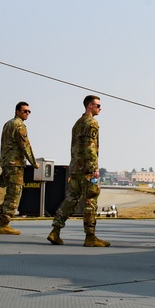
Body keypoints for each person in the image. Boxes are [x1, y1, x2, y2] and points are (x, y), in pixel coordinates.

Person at [47, 95, 110, 247]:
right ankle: (90, 236)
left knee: (70, 200)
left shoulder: (77, 124)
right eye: (98, 105)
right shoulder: (91, 123)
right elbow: (90, 147)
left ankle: (55, 230)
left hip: (75, 168)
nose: (100, 108)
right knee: (90, 201)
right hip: (87, 170)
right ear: (89, 105)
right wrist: (94, 168)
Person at [0, 101, 38, 235]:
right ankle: (4, 224)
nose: (27, 113)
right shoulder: (19, 125)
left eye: (29, 111)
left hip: (6, 163)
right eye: (24, 111)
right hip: (15, 164)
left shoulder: (8, 124)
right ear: (17, 111)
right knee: (15, 194)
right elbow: (25, 146)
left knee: (10, 192)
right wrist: (34, 163)